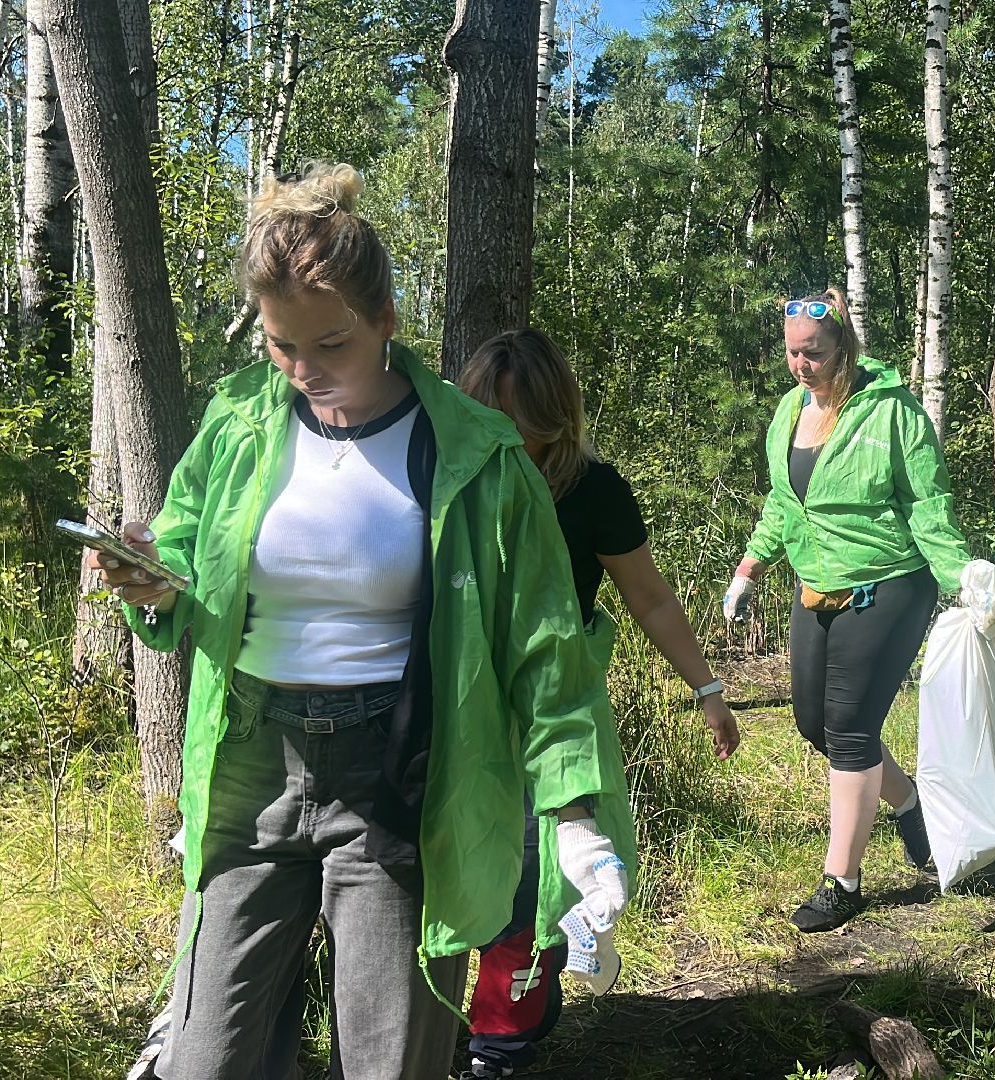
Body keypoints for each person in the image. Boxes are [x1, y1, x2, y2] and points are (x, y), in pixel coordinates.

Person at [83, 162, 632, 1080]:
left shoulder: (477, 453)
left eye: (329, 344)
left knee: (391, 1059)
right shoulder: (237, 424)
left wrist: (574, 815)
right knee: (204, 1059)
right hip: (251, 766)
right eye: (279, 346)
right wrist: (150, 579)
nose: (303, 371)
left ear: (386, 321)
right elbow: (181, 562)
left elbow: (542, 646)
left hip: (403, 781)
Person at [452, 328, 740, 1078]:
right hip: (454, 708)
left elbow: (649, 598)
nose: (499, 435)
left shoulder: (593, 491)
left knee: (528, 866)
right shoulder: (448, 477)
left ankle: (499, 1043)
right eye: (484, 414)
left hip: (548, 712)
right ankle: (467, 1008)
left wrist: (708, 691)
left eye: (514, 421)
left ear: (554, 421)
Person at [722, 288, 987, 934]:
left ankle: (843, 880)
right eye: (791, 353)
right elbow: (784, 508)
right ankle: (911, 804)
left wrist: (964, 574)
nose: (800, 365)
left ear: (843, 346)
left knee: (849, 729)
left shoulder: (893, 414)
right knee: (815, 725)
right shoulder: (788, 413)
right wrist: (748, 570)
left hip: (890, 585)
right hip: (817, 585)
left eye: (811, 353)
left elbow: (928, 505)